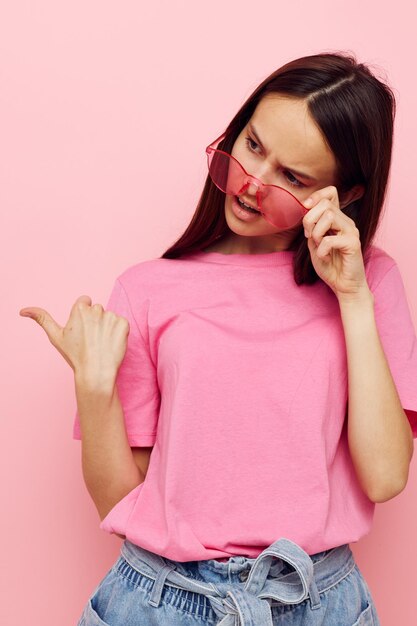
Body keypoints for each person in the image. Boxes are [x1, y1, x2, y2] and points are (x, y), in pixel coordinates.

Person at [19, 51, 417, 626]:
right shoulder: (147, 289)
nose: (253, 185)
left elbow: (385, 475)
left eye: (293, 177)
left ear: (344, 194)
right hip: (161, 601)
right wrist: (94, 387)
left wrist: (353, 298)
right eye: (253, 145)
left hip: (316, 600)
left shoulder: (370, 279)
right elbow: (119, 502)